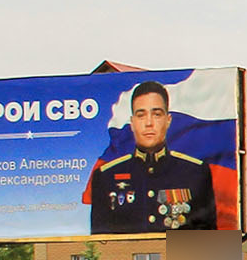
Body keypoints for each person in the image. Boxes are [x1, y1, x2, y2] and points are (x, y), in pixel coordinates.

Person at [87, 81, 219, 233]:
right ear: (132, 122)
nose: (149, 123)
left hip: (181, 256)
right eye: (141, 115)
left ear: (168, 120)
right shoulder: (105, 177)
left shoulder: (196, 172)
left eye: (156, 114)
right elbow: (100, 244)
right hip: (126, 257)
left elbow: (208, 242)